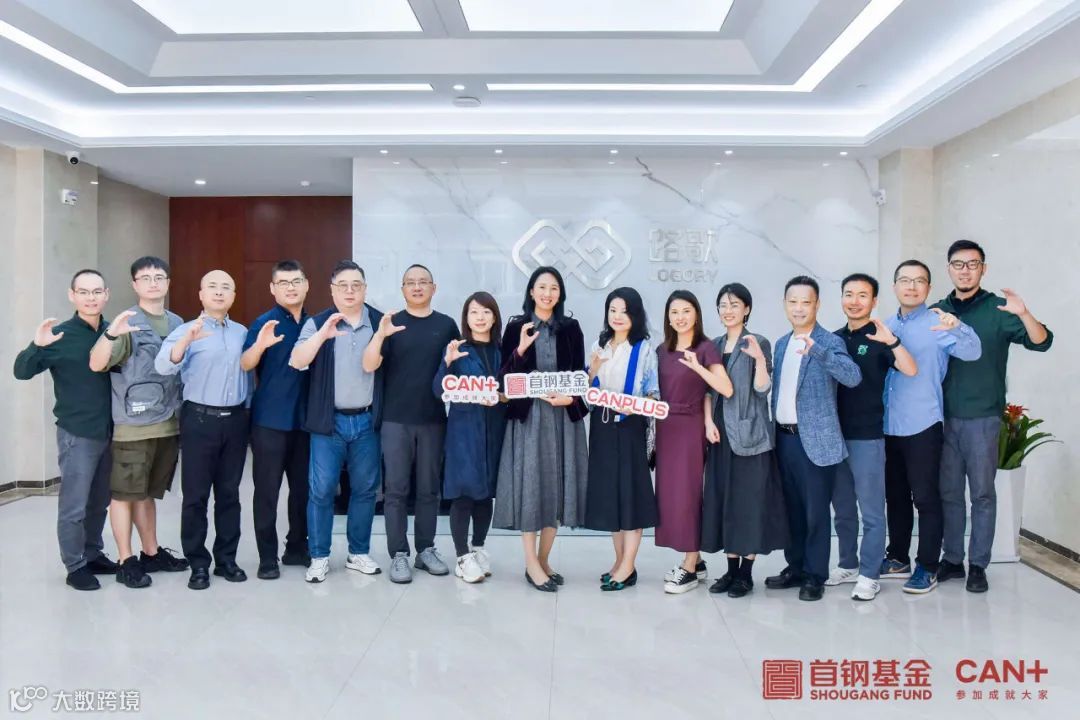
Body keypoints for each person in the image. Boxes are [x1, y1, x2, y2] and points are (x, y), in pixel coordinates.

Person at [934, 239, 1053, 593]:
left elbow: (1042, 341)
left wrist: (1024, 313)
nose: (965, 270)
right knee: (949, 493)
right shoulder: (938, 311)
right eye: (958, 264)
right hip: (942, 418)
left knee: (983, 494)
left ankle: (978, 565)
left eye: (973, 264)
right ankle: (952, 559)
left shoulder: (999, 310)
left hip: (983, 417)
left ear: (983, 269)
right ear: (949, 268)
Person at [13, 269, 118, 591]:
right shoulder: (58, 335)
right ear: (72, 295)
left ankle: (93, 553)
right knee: (74, 505)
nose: (91, 298)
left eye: (97, 291)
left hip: (111, 431)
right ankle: (75, 566)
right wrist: (36, 345)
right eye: (83, 292)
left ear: (106, 294)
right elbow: (21, 371)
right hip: (77, 433)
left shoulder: (114, 332)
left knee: (99, 502)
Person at [881, 259, 981, 595]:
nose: (911, 286)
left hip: (923, 423)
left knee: (925, 498)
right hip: (888, 424)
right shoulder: (885, 325)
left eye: (919, 281)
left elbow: (973, 352)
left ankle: (927, 565)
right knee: (895, 497)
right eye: (905, 280)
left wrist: (958, 327)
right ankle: (897, 558)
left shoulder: (940, 323)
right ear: (894, 286)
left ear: (928, 287)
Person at [88, 256, 189, 590]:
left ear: (168, 282)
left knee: (146, 494)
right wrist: (110, 335)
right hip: (134, 425)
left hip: (168, 422)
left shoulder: (177, 323)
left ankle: (151, 552)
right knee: (124, 494)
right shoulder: (127, 323)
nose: (153, 283)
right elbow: (97, 363)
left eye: (159, 277)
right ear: (134, 285)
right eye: (145, 278)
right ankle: (125, 559)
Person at [765, 276, 861, 601]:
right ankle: (795, 567)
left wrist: (818, 352)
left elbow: (852, 377)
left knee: (816, 512)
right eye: (793, 302)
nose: (799, 308)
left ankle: (815, 575)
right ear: (785, 305)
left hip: (816, 442)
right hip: (784, 439)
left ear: (817, 305)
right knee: (791, 509)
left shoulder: (829, 341)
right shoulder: (781, 344)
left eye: (806, 302)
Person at [362, 264, 459, 583]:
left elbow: (457, 371)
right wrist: (380, 334)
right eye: (410, 282)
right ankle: (399, 554)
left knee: (429, 489)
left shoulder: (446, 325)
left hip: (433, 419)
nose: (417, 287)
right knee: (396, 490)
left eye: (423, 282)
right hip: (395, 420)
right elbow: (370, 364)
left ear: (434, 287)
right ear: (402, 288)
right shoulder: (390, 324)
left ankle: (426, 550)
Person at [156, 270, 253, 590]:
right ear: (201, 294)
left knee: (229, 494)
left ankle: (226, 559)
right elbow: (163, 366)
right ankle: (198, 563)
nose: (219, 292)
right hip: (199, 419)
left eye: (226, 287)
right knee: (196, 496)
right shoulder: (186, 329)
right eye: (212, 286)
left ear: (234, 296)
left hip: (235, 420)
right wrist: (186, 340)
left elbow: (249, 373)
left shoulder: (241, 332)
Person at [494, 266, 589, 593]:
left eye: (554, 288)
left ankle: (544, 560)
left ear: (560, 294)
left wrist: (571, 399)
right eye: (542, 287)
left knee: (556, 489)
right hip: (529, 419)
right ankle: (531, 563)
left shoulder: (571, 328)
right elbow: (504, 381)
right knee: (531, 487)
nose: (548, 293)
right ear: (531, 292)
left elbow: (579, 377)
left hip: (562, 417)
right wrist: (521, 349)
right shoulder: (516, 327)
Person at [290, 260, 384, 584]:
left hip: (367, 421)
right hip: (328, 423)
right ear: (332, 290)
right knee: (321, 490)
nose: (349, 291)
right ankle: (319, 556)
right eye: (342, 285)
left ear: (365, 289)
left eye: (356, 285)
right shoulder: (318, 322)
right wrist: (322, 335)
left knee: (365, 490)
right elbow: (297, 360)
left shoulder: (378, 322)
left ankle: (358, 553)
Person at [828, 273, 917, 601]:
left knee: (872, 511)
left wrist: (892, 341)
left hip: (867, 437)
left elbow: (910, 369)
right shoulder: (833, 339)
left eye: (862, 295)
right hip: (834, 438)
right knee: (843, 509)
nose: (854, 301)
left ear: (874, 301)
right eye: (849, 294)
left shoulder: (881, 337)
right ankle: (848, 564)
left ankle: (869, 574)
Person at [701, 283, 788, 599]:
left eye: (734, 304)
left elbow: (763, 389)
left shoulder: (757, 342)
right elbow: (707, 391)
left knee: (749, 504)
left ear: (747, 309)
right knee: (725, 501)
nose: (728, 310)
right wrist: (708, 422)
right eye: (723, 305)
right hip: (720, 435)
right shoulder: (713, 345)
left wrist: (760, 361)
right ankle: (730, 570)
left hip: (751, 436)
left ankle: (745, 574)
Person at [655, 290, 733, 595]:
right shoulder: (661, 350)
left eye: (686, 311)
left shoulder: (706, 348)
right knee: (670, 495)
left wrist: (698, 368)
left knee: (688, 494)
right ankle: (697, 561)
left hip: (690, 427)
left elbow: (722, 388)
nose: (680, 317)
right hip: (665, 426)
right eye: (674, 312)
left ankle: (688, 567)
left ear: (696, 314)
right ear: (667, 316)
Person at [584, 287, 659, 592]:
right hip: (601, 427)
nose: (617, 316)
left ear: (635, 315)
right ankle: (620, 563)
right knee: (610, 497)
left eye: (624, 311)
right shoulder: (599, 345)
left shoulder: (645, 348)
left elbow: (654, 393)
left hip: (630, 427)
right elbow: (586, 392)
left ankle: (628, 565)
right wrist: (592, 371)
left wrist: (637, 405)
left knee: (631, 495)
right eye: (613, 310)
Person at [241, 260, 311, 580]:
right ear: (272, 288)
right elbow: (245, 363)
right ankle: (267, 557)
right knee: (267, 492)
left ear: (306, 285)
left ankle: (296, 547)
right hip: (269, 422)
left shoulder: (315, 324)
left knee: (302, 491)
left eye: (296, 281)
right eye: (283, 283)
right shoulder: (264, 323)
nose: (290, 288)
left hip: (305, 423)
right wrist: (260, 345)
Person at [432, 292, 507, 584]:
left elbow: (510, 390)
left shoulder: (502, 350)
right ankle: (462, 557)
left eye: (486, 312)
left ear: (494, 317)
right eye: (474, 312)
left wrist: (501, 395)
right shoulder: (457, 349)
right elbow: (439, 389)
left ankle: (478, 548)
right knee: (464, 493)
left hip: (494, 429)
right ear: (466, 318)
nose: (480, 317)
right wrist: (447, 363)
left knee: (485, 493)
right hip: (464, 431)